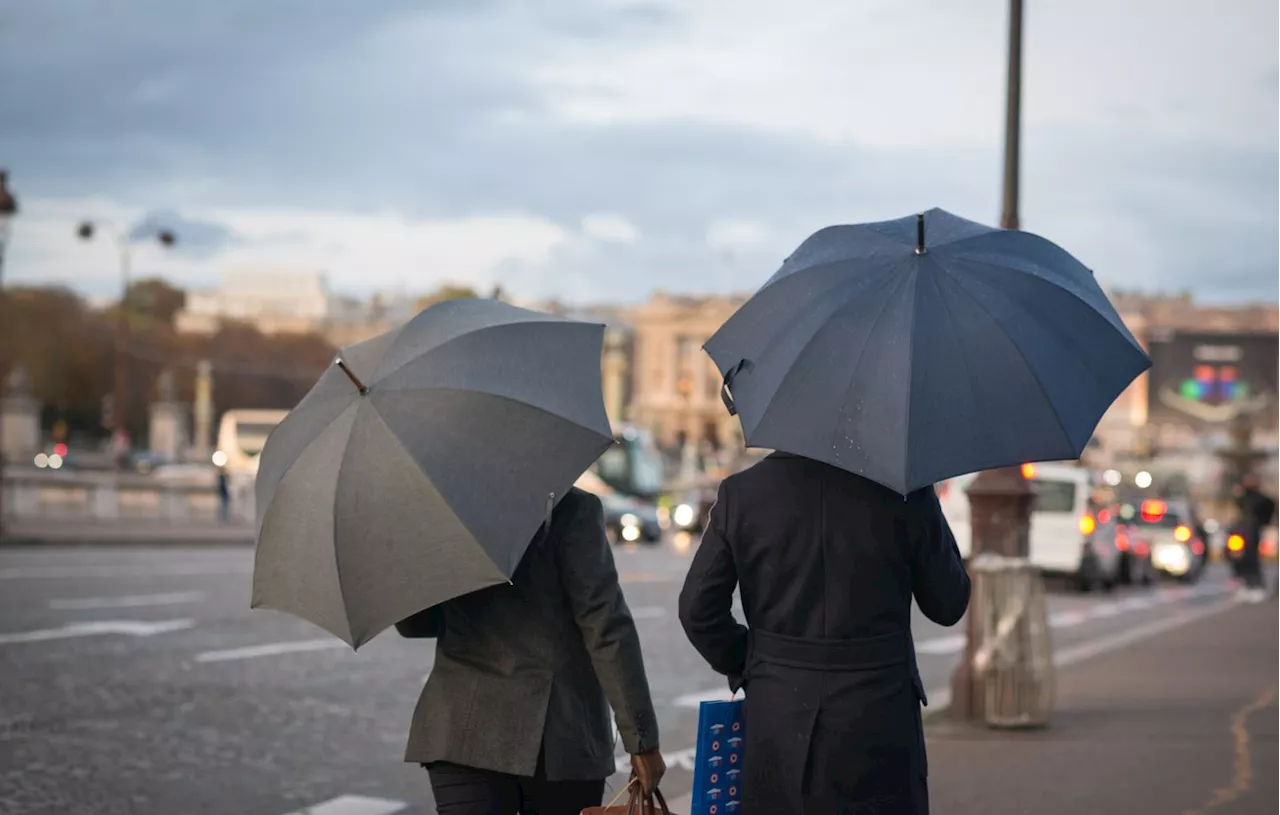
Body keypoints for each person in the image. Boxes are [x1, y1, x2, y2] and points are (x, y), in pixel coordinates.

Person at [679, 453, 971, 814]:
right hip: (880, 716)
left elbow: (697, 610)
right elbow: (948, 603)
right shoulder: (905, 490)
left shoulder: (743, 492)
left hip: (778, 713)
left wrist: (753, 662)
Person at [396, 486, 665, 815]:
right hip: (556, 735)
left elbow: (416, 625)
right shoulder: (570, 506)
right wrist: (641, 740)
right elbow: (605, 625)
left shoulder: (441, 509)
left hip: (459, 729)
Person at [1233, 473, 1276, 603]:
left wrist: (1264, 522)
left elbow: (1270, 506)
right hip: (1242, 532)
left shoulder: (1261, 499)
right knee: (1240, 559)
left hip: (1253, 532)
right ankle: (1247, 585)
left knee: (1252, 559)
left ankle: (1257, 586)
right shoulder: (1243, 497)